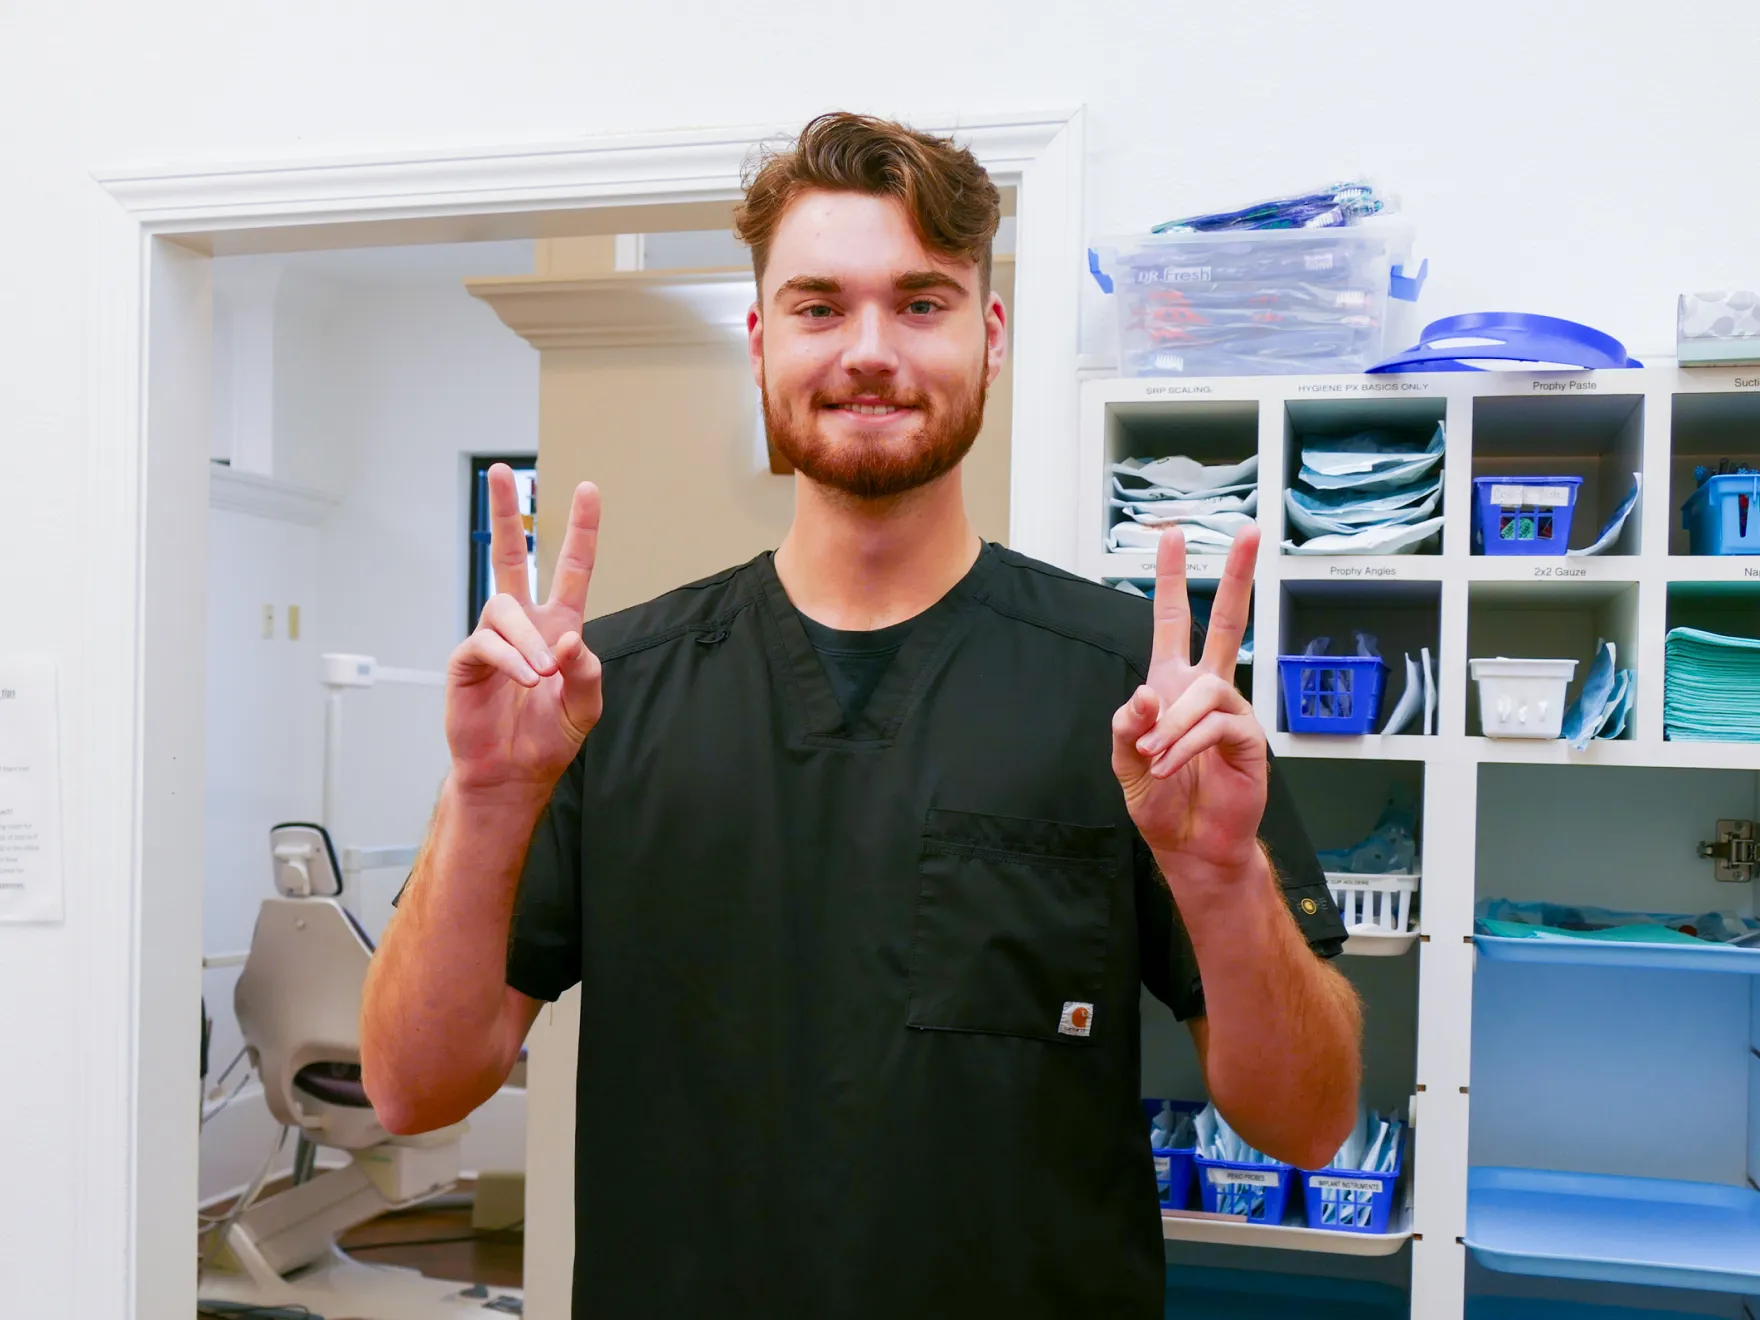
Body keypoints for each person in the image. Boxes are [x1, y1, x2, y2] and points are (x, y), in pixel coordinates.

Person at [361, 111, 1361, 1318]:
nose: (869, 351)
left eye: (922, 303)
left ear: (989, 338)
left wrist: (1218, 881)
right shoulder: (592, 699)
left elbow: (1305, 1123)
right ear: (759, 339)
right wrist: (487, 802)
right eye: (819, 306)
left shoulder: (1139, 704)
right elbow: (414, 1092)